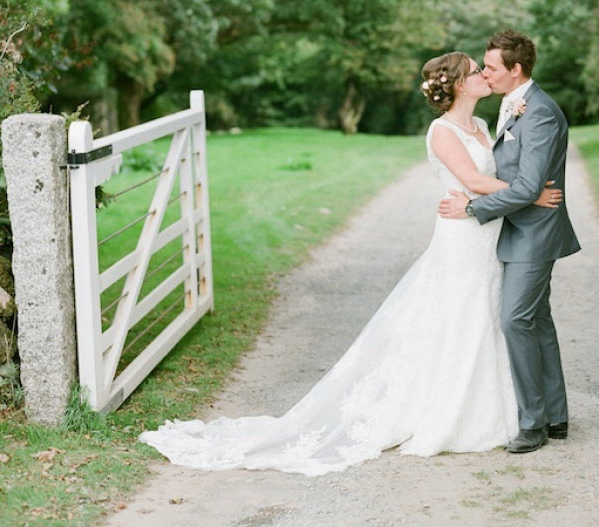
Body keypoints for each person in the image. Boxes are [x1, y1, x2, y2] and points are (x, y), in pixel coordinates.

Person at [138, 52, 562, 474]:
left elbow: (485, 180)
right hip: (461, 235)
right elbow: (470, 181)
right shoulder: (442, 131)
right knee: (458, 316)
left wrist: (505, 194)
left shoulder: (485, 126)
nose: (484, 76)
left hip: (487, 235)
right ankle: (449, 412)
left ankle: (497, 410)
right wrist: (528, 192)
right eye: (475, 71)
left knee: (486, 316)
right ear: (457, 85)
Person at [439, 29, 580, 454]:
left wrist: (472, 209)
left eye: (493, 67)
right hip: (520, 230)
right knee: (536, 320)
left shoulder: (538, 113)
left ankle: (533, 423)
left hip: (534, 232)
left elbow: (527, 187)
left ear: (516, 70)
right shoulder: (512, 105)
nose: (486, 72)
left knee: (515, 320)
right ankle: (555, 417)